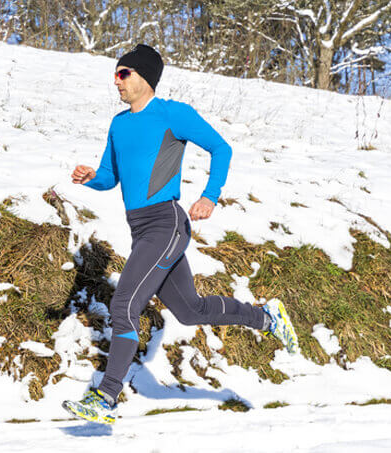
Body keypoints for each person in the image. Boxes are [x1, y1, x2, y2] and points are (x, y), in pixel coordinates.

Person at [62, 44, 299, 425]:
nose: (117, 80)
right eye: (116, 74)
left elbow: (221, 149)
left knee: (124, 305)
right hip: (141, 229)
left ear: (144, 78)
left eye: (124, 73)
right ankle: (267, 318)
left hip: (167, 223)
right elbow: (111, 177)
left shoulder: (173, 115)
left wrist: (210, 196)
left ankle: (105, 397)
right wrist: (92, 178)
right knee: (190, 311)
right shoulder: (119, 124)